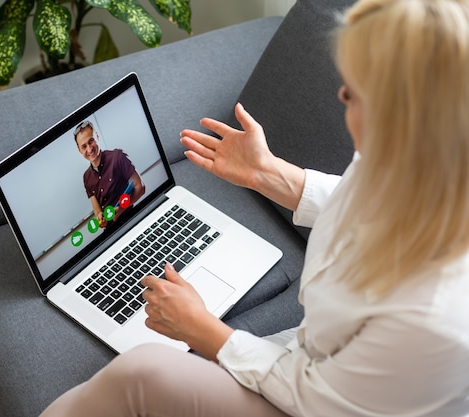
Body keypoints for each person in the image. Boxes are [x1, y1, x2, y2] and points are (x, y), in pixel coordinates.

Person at [41, 0, 469, 415]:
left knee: (141, 372)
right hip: (316, 359)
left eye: (357, 89)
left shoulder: (435, 317)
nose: (341, 94)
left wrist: (202, 329)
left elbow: (318, 402)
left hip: (320, 399)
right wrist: (268, 173)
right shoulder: (409, 157)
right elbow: (370, 203)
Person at [74, 120, 145, 228]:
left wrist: (121, 209)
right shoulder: (86, 177)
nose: (89, 149)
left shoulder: (117, 157)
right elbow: (97, 211)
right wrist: (100, 219)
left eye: (91, 141)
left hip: (132, 221)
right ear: (79, 150)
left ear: (97, 137)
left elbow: (140, 187)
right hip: (110, 232)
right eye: (83, 146)